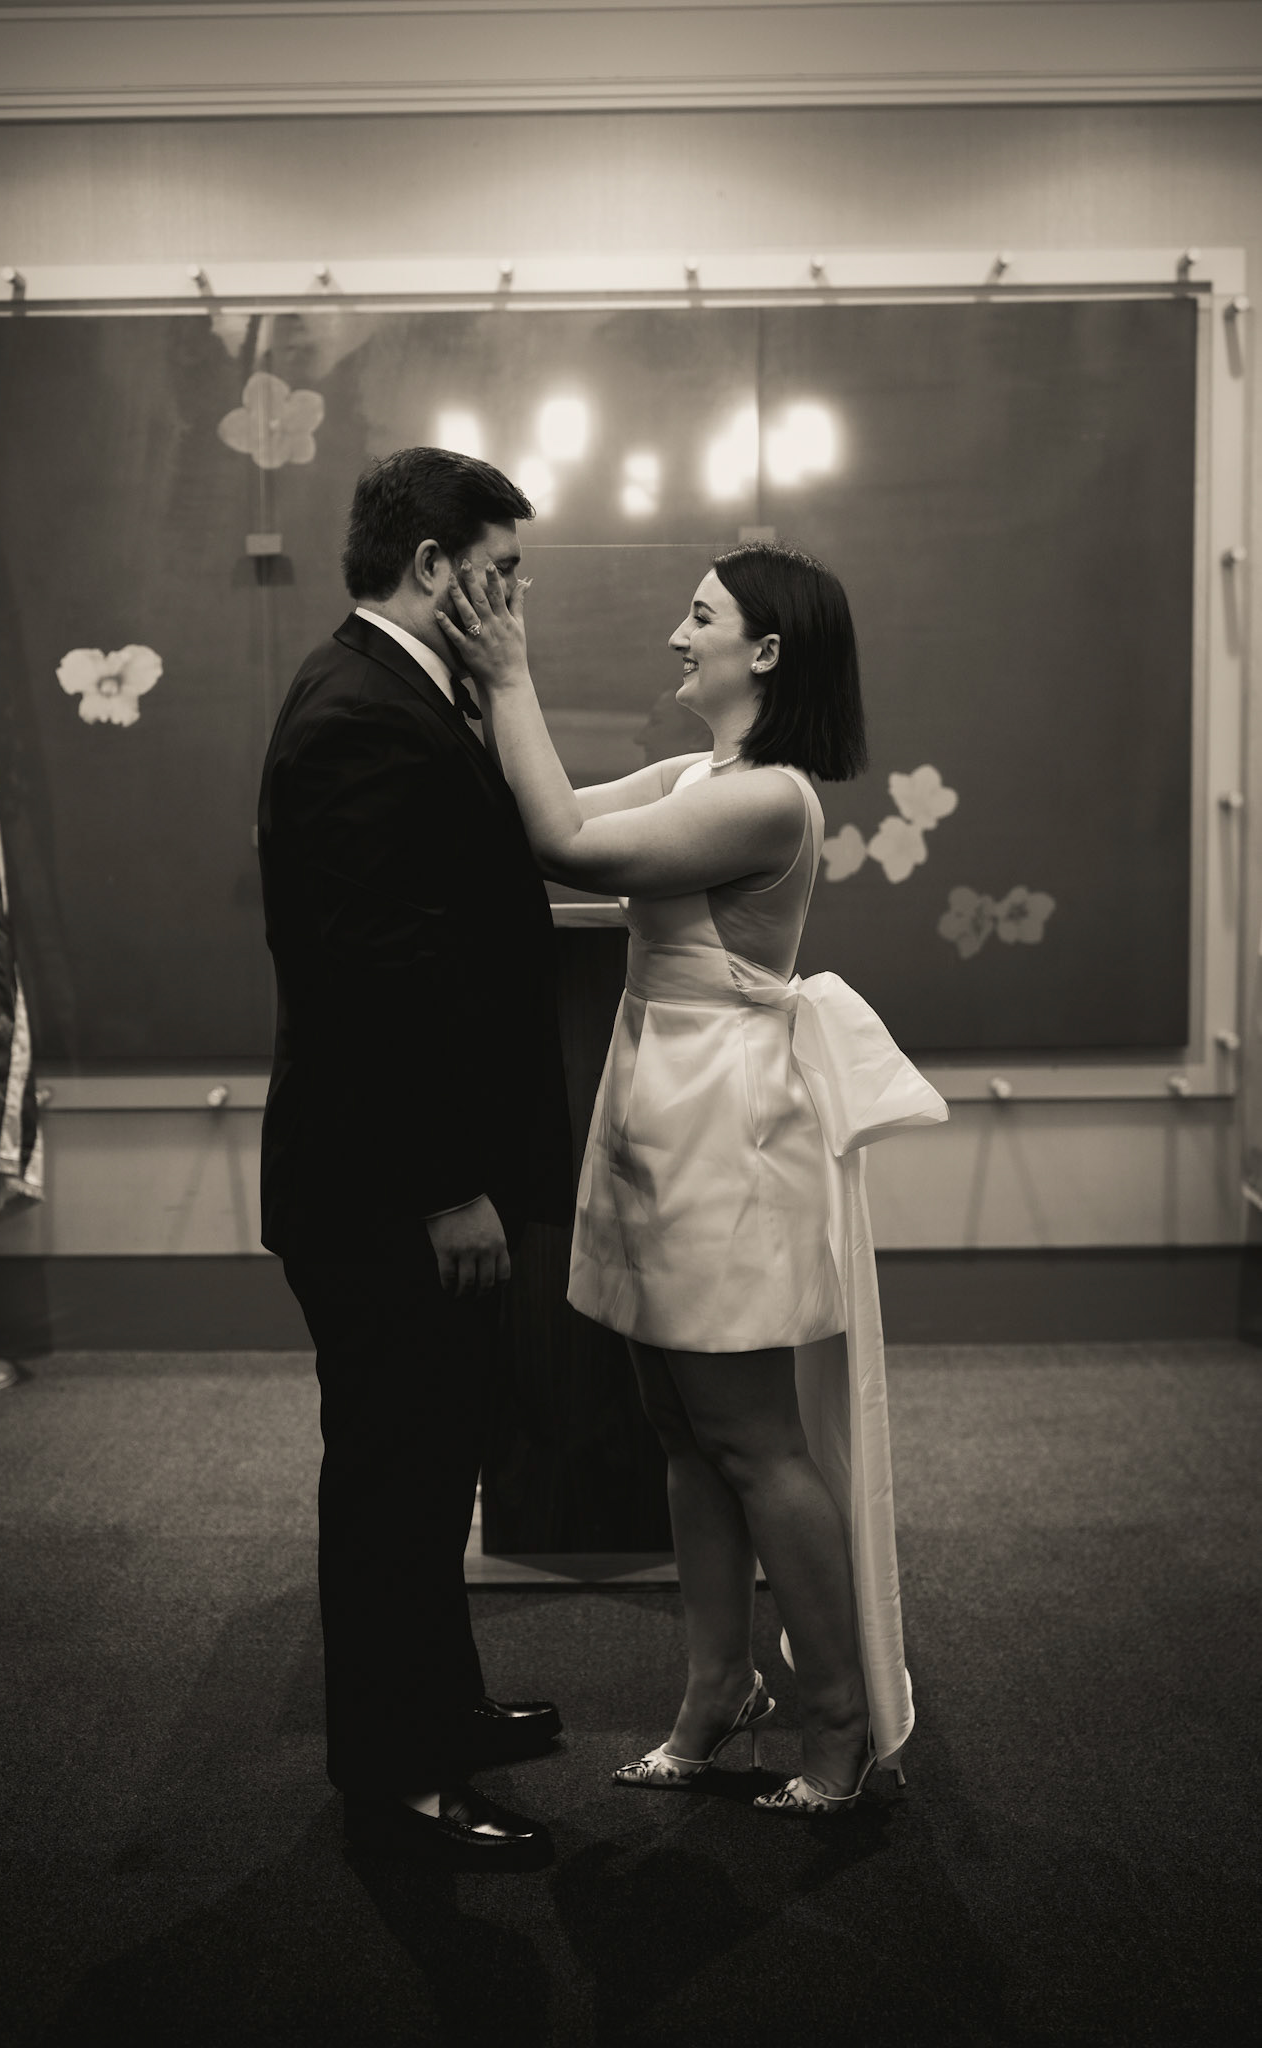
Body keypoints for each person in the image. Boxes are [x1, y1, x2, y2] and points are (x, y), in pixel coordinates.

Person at [438, 540, 946, 1816]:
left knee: (754, 1438)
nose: (679, 631)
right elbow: (539, 808)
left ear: (765, 652)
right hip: (656, 1111)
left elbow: (564, 841)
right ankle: (718, 1692)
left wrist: (508, 668)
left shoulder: (768, 795)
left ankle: (833, 1718)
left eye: (701, 614)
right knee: (681, 1429)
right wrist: (466, 685)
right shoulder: (700, 771)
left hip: (721, 1130)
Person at [257, 447, 573, 1871]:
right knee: (394, 1481)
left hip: (403, 1174)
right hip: (387, 1188)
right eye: (499, 573)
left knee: (434, 1461)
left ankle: (440, 1709)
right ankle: (403, 1775)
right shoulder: (355, 713)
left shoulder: (401, 691)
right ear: (434, 568)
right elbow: (371, 978)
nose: (513, 604)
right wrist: (447, 1187)